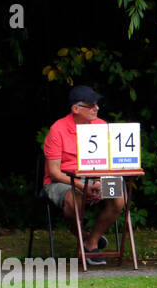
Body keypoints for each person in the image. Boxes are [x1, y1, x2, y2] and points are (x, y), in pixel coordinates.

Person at [43, 84, 126, 266]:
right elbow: (55, 172)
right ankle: (84, 237)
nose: (97, 108)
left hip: (95, 177)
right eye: (91, 105)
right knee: (75, 197)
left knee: (118, 197)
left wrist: (97, 181)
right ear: (76, 109)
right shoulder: (58, 129)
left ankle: (91, 241)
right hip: (64, 180)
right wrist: (81, 184)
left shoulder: (101, 126)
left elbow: (108, 161)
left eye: (96, 104)